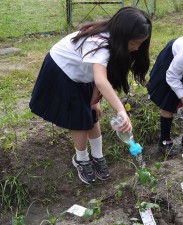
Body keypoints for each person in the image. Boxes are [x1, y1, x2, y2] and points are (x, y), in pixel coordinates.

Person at [29, 7, 152, 184]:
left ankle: (97, 156)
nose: (137, 48)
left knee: (91, 115)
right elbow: (101, 81)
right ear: (123, 36)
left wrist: (94, 101)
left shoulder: (115, 43)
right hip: (62, 70)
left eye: (140, 43)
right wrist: (121, 111)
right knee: (79, 120)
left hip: (84, 74)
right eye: (134, 43)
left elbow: (102, 79)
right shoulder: (98, 43)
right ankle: (81, 158)